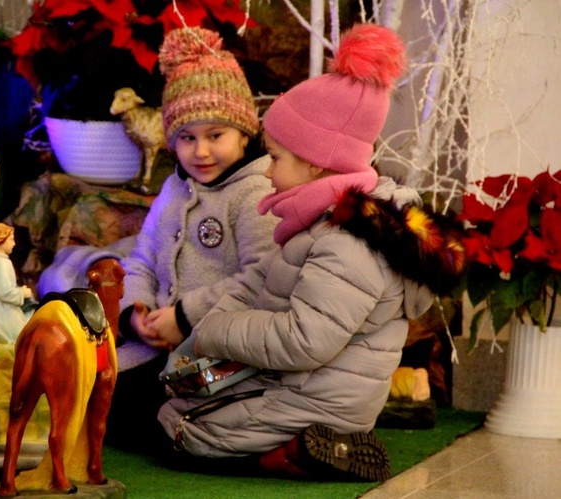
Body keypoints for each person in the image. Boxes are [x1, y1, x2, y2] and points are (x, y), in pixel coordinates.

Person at [157, 24, 466, 482]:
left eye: (276, 158)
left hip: (314, 399)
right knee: (171, 401)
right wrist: (207, 320)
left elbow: (305, 340)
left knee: (178, 431)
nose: (267, 172)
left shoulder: (350, 243)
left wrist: (218, 330)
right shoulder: (326, 224)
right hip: (301, 387)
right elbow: (263, 279)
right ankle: (295, 449)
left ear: (317, 163)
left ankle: (291, 453)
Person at [103, 26, 279, 447]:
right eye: (186, 138)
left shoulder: (255, 192)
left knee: (160, 413)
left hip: (225, 356)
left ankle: (257, 438)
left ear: (244, 132)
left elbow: (263, 278)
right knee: (95, 390)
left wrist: (184, 317)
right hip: (158, 348)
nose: (200, 152)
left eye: (215, 136)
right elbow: (142, 256)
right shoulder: (174, 188)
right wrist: (134, 313)